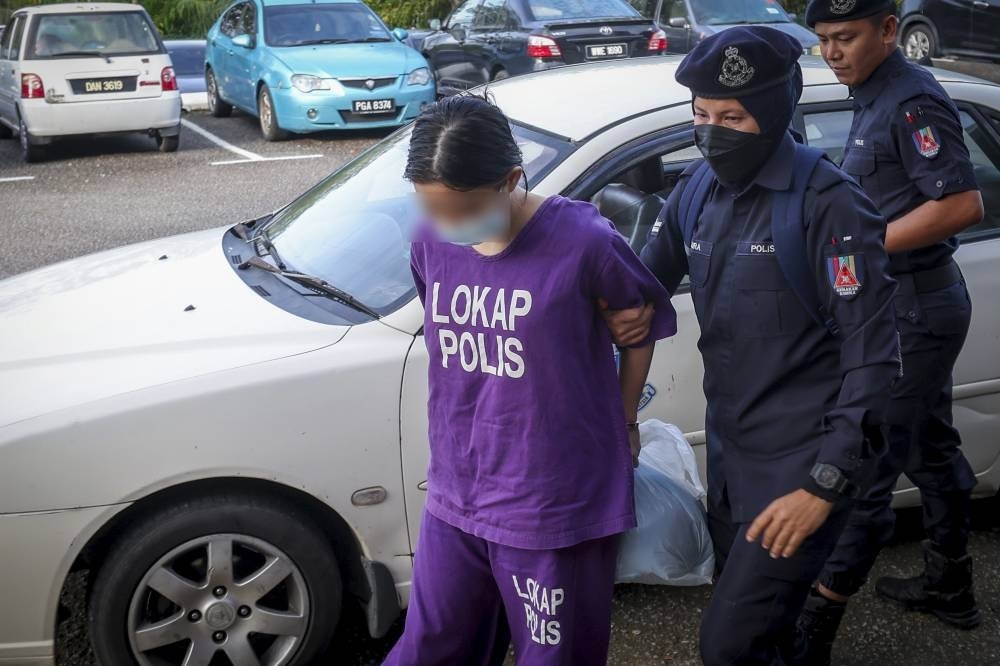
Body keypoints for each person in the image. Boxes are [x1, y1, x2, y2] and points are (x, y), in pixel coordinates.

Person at [605, 26, 900, 665]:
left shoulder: (828, 204)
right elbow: (639, 285)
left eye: (732, 118)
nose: (712, 132)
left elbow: (874, 358)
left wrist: (824, 485)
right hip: (731, 459)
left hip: (800, 468)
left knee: (728, 646)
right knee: (768, 631)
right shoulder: (696, 189)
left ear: (770, 113)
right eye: (701, 115)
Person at [382, 95, 677, 666]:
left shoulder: (584, 241)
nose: (448, 224)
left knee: (553, 656)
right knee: (430, 648)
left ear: (511, 180)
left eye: (464, 209)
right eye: (432, 208)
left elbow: (638, 328)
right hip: (458, 486)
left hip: (553, 499)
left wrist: (626, 421)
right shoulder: (429, 238)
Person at [799, 2, 986, 659]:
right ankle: (950, 584)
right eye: (823, 39)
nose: (832, 52)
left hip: (916, 309)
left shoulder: (910, 100)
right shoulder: (872, 94)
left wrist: (860, 245)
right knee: (929, 446)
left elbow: (961, 203)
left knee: (865, 466)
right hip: (905, 305)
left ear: (886, 30)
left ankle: (814, 627)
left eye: (845, 37)